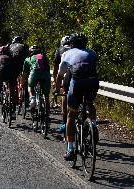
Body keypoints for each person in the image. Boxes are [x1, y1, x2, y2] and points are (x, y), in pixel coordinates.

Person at [54, 33, 99, 161]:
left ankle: (71, 149)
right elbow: (95, 68)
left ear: (71, 44)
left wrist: (57, 88)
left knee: (71, 115)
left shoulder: (67, 53)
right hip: (93, 81)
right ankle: (94, 125)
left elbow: (60, 75)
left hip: (77, 82)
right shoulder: (92, 53)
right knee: (90, 103)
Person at [22, 45, 51, 119]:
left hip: (34, 74)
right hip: (46, 75)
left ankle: (32, 98)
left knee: (30, 86)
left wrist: (23, 81)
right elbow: (48, 68)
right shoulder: (44, 57)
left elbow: (25, 73)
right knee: (46, 97)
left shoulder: (28, 58)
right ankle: (47, 117)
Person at [53, 36, 71, 133]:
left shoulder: (60, 50)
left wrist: (57, 84)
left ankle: (64, 122)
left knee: (65, 95)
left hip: (66, 75)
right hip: (82, 74)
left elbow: (56, 69)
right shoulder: (75, 48)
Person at [0, 45, 17, 118]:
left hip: (1, 73)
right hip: (11, 74)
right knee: (12, 92)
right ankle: (13, 112)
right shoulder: (11, 58)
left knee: (0, 80)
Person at [9, 36, 29, 109]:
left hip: (14, 65)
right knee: (24, 81)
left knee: (13, 83)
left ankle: (14, 101)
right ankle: (26, 100)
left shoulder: (10, 45)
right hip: (23, 64)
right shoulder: (25, 45)